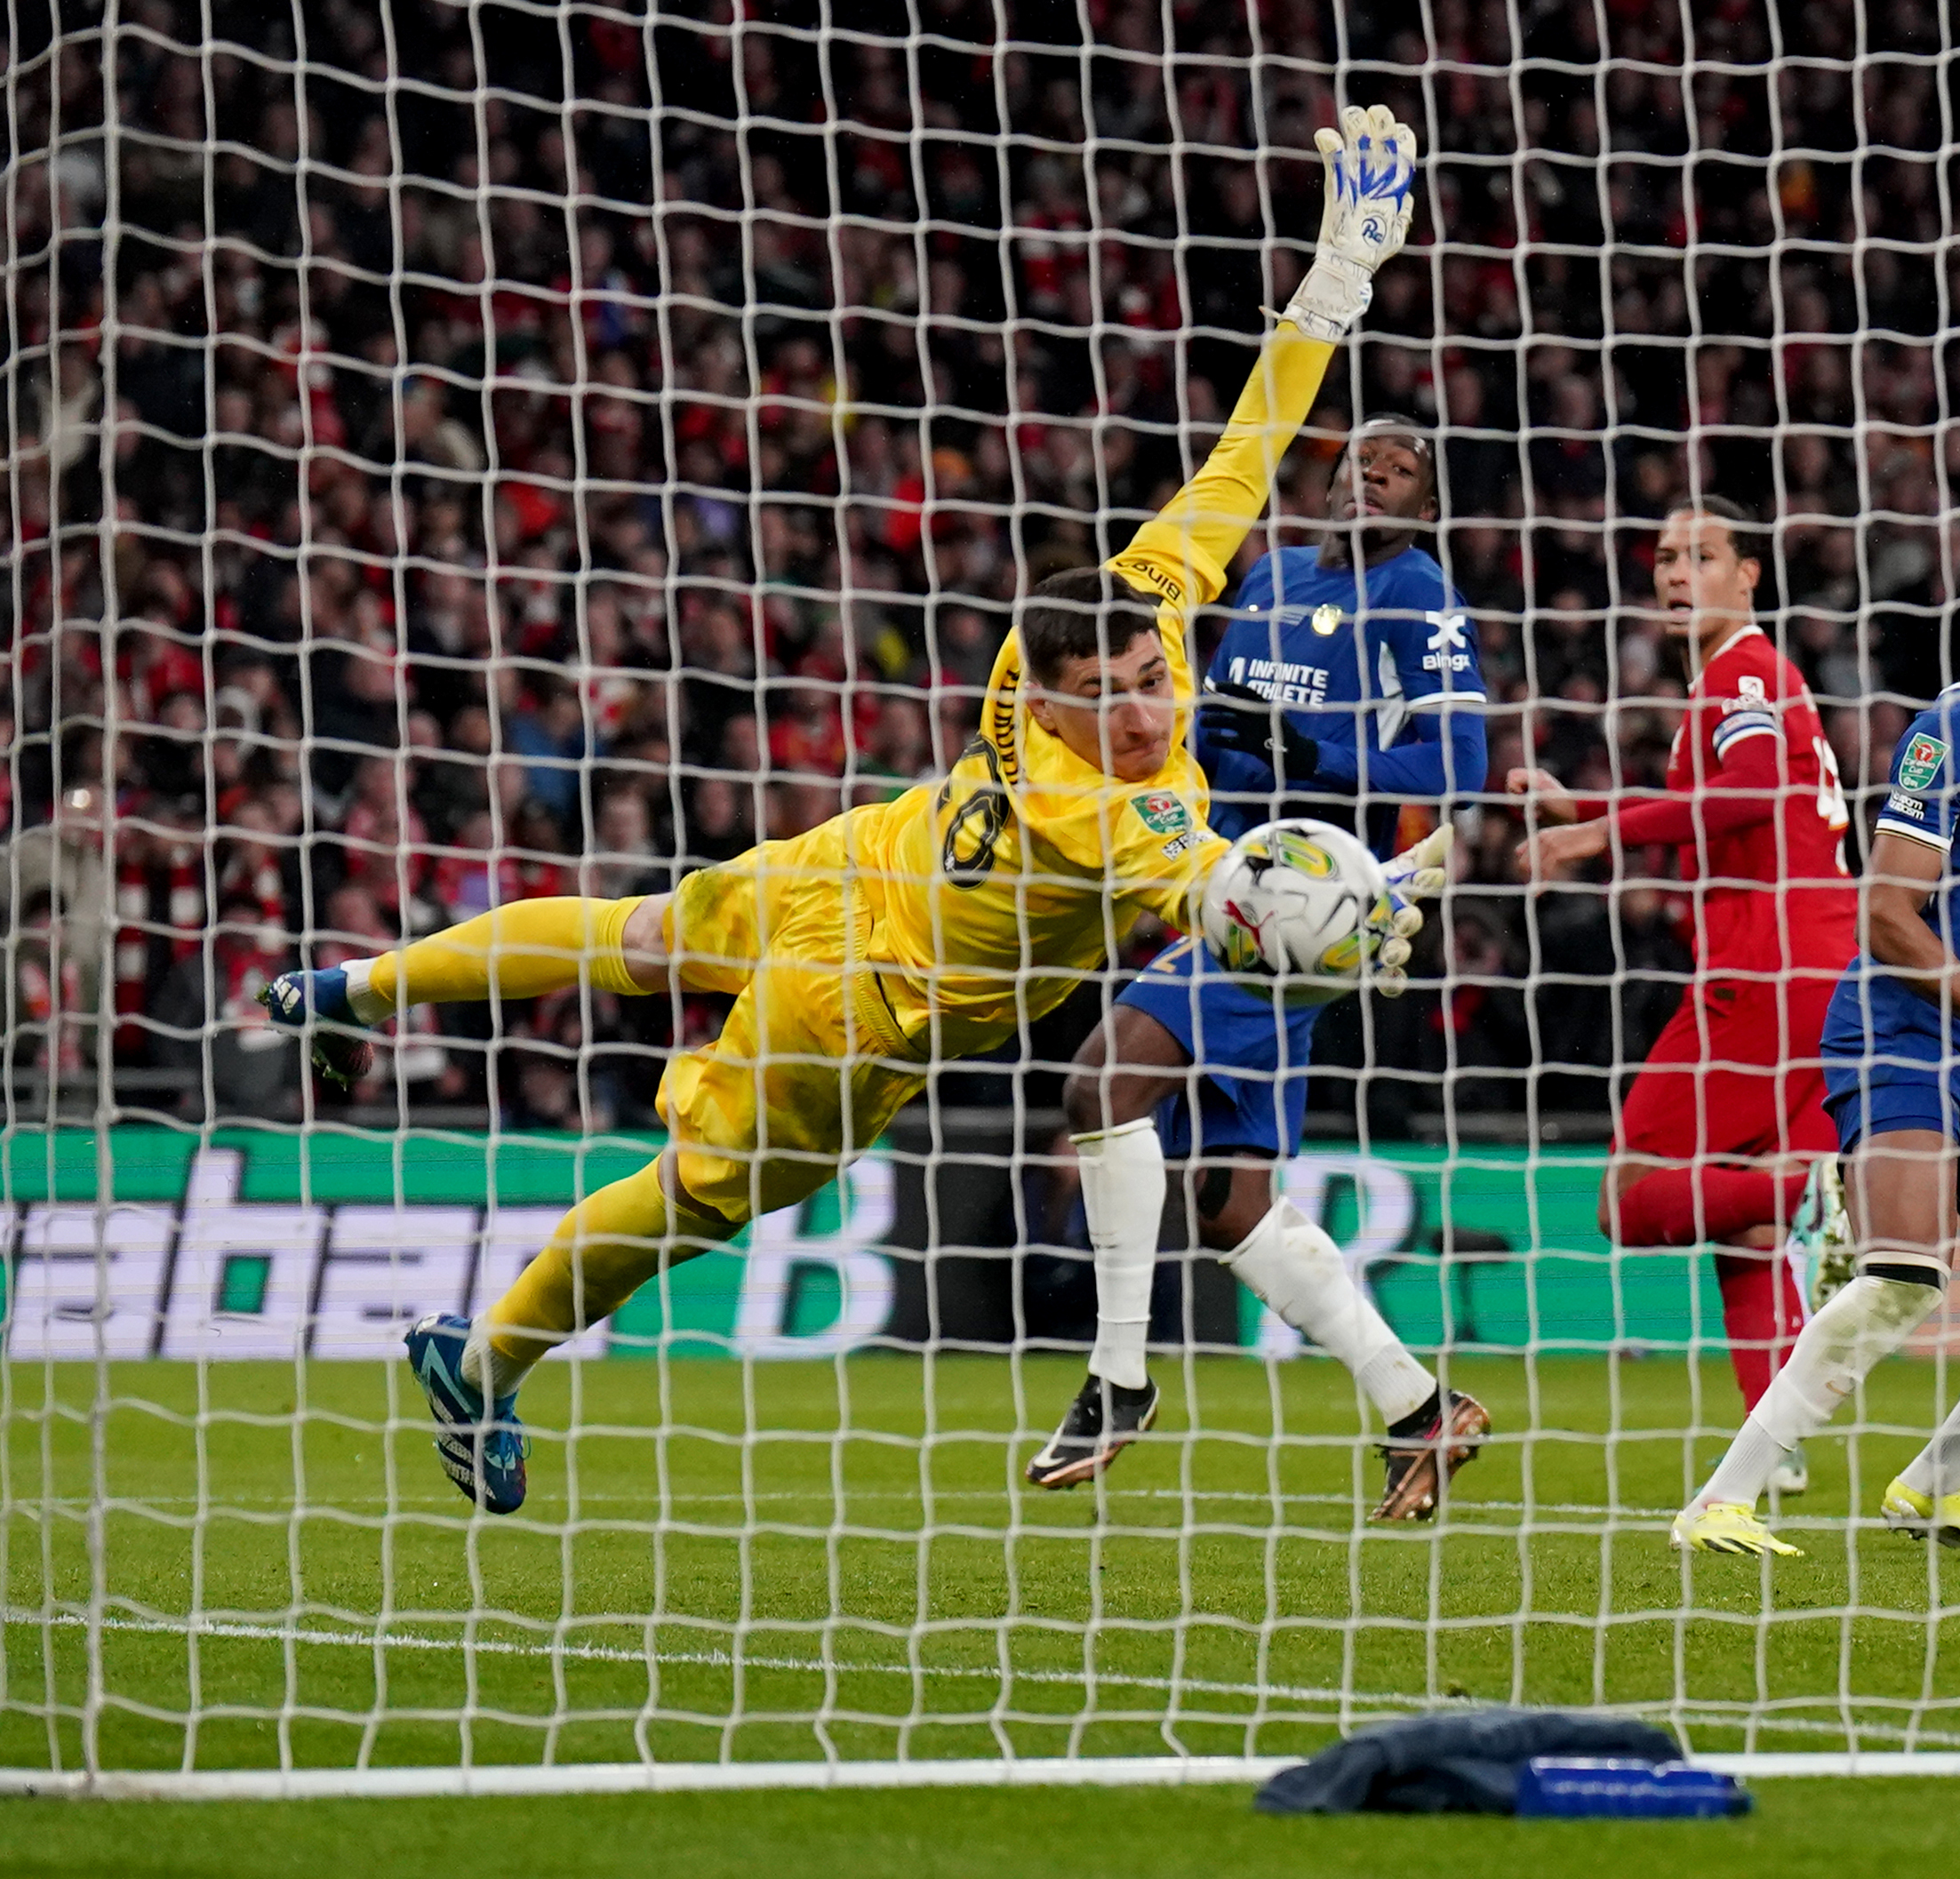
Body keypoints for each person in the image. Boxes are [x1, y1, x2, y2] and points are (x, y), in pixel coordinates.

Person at [255, 107, 1435, 1518]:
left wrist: (1339, 275)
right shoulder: (1103, 812)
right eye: (1108, 697)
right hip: (865, 999)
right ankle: (487, 1358)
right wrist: (1341, 920)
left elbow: (1255, 434)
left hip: (857, 855)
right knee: (699, 1194)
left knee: (635, 934)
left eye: (1145, 679)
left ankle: (354, 988)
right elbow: (1216, 901)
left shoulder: (1142, 602)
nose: (1143, 710)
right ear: (1045, 706)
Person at [1028, 412, 1490, 1523]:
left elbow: (1460, 764)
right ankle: (1419, 1407)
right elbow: (1206, 728)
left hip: (1301, 902)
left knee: (1100, 1082)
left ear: (1426, 503)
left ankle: (1119, 1379)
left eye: (1398, 470)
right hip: (1218, 886)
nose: (1369, 479)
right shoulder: (1272, 574)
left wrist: (1310, 752)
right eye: (1355, 463)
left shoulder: (1418, 594)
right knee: (1227, 1204)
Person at [1671, 544, 1960, 1559]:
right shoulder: (1947, 732)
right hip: (1901, 1026)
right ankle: (1720, 1500)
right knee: (1902, 1276)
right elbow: (1883, 914)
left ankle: (1937, 1478)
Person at [1508, 499, 1859, 1494]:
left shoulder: (1745, 669)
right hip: (1816, 967)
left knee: (1628, 1197)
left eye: (1701, 555)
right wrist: (1583, 801)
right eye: (1663, 556)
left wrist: (1589, 836)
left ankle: (1817, 1191)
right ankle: (1771, 1438)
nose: (1674, 572)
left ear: (1747, 574)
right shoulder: (1728, 675)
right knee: (1739, 1230)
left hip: (1763, 968)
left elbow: (1750, 791)